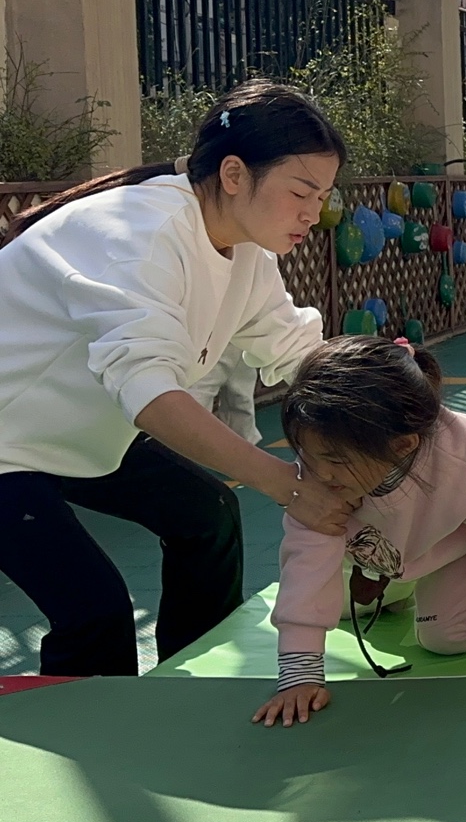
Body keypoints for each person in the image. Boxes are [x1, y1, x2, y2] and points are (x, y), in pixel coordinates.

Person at [0, 80, 354, 677]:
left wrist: (400, 405)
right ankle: (83, 723)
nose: (313, 213)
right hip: (7, 445)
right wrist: (287, 485)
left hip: (69, 433)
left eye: (322, 196)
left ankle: (188, 680)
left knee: (208, 516)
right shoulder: (141, 234)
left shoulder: (245, 252)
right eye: (300, 192)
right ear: (234, 174)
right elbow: (152, 397)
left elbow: (297, 352)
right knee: (96, 612)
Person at [255, 337, 466, 727]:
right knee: (340, 608)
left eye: (334, 460)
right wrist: (300, 674)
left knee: (446, 636)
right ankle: (400, 591)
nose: (319, 473)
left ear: (402, 447)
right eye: (305, 453)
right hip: (395, 558)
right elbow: (306, 565)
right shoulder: (324, 464)